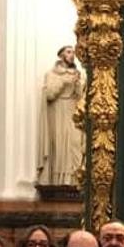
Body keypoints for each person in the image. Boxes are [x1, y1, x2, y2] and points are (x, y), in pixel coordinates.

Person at [37, 45, 86, 186]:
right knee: (59, 145)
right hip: (58, 113)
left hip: (73, 111)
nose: (72, 55)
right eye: (68, 52)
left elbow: (80, 96)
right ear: (61, 55)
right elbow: (49, 94)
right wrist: (64, 82)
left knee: (75, 143)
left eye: (73, 53)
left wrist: (77, 84)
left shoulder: (78, 74)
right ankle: (58, 180)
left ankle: (75, 178)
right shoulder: (51, 74)